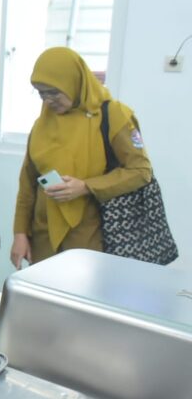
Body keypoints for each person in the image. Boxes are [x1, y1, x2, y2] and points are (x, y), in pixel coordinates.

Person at [10, 47, 153, 269]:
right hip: (43, 237)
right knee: (43, 299)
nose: (48, 100)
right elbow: (28, 183)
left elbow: (141, 171)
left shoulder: (113, 115)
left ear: (74, 81)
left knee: (80, 297)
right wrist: (20, 233)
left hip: (91, 236)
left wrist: (86, 186)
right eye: (41, 93)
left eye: (54, 92)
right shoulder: (42, 124)